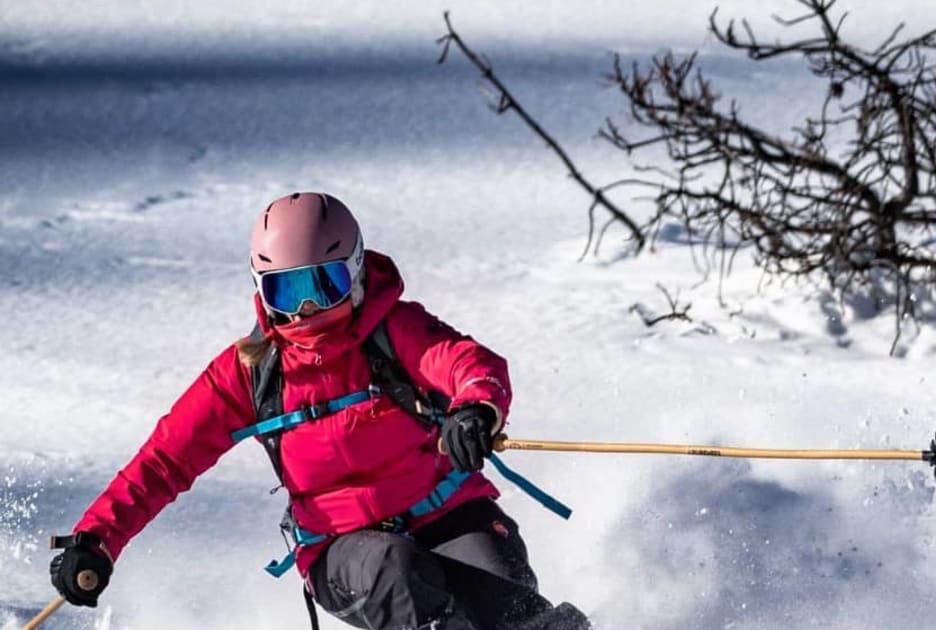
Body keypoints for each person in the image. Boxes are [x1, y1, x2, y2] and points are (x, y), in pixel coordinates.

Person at [48, 192, 591, 630]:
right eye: (287, 290)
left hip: (446, 510)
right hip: (343, 552)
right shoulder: (248, 371)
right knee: (401, 578)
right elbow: (164, 462)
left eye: (323, 284)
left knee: (512, 612)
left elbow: (466, 363)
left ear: (354, 272)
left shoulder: (391, 330)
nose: (306, 308)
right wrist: (97, 539)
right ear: (261, 290)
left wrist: (476, 408)